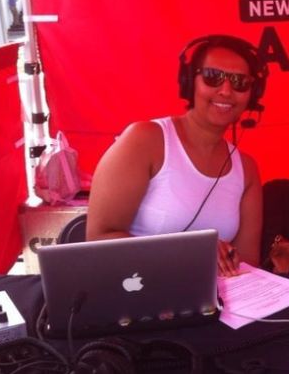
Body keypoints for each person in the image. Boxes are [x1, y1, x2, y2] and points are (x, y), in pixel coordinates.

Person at [87, 35, 268, 277]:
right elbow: (99, 238)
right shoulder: (145, 140)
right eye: (213, 77)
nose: (226, 91)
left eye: (239, 82)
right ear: (189, 82)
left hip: (219, 304)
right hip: (140, 292)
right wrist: (191, 251)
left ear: (252, 94)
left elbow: (247, 263)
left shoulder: (246, 169)